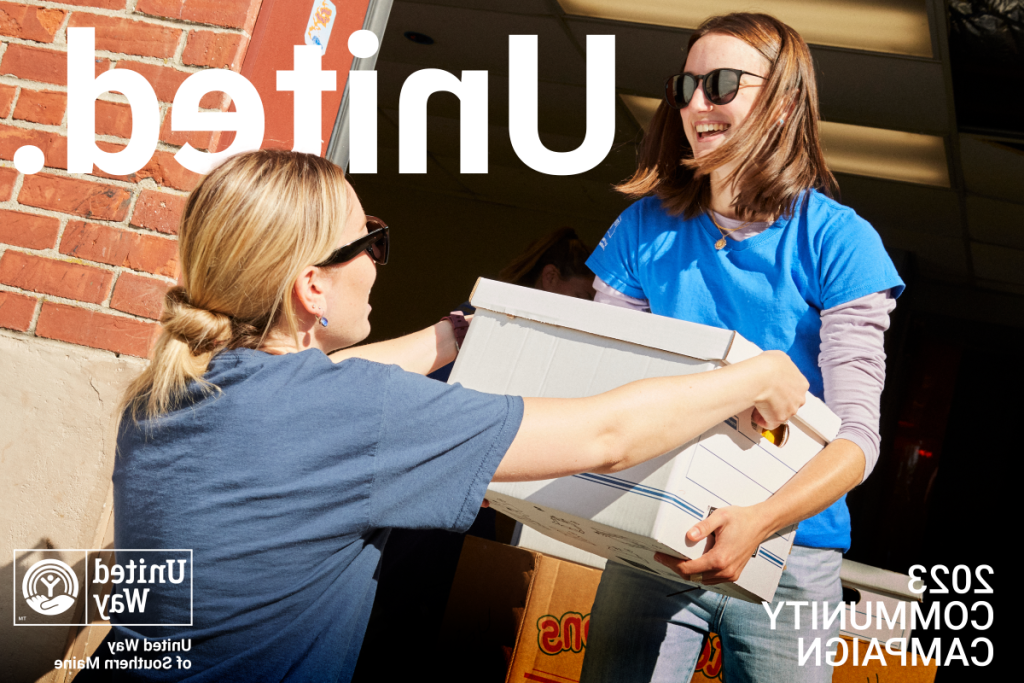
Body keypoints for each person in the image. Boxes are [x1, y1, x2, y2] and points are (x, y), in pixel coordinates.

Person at [86, 149, 808, 682]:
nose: (378, 259)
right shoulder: (357, 415)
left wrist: (456, 333)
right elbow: (607, 436)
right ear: (312, 287)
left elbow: (320, 391)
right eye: (369, 241)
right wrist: (757, 372)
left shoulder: (169, 392)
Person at [580, 12, 905, 683]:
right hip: (657, 530)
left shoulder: (841, 243)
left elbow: (857, 440)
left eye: (722, 83)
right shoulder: (641, 229)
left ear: (784, 99)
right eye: (687, 85)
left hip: (796, 548)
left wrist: (758, 521)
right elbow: (610, 389)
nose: (698, 103)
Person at [355, 227, 596, 680]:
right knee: (399, 624)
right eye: (583, 295)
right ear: (550, 277)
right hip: (432, 497)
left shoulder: (518, 332)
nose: (591, 310)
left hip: (459, 501)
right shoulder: (486, 325)